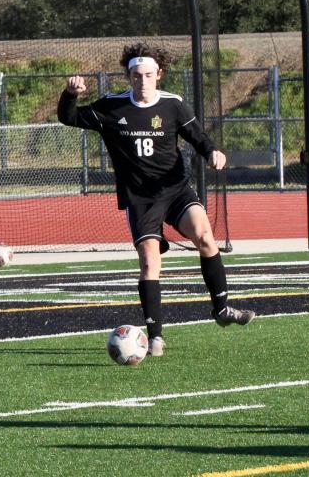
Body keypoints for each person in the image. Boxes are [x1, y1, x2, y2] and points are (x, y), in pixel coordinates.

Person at [58, 43, 255, 357]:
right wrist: (71, 95)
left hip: (176, 189)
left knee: (205, 236)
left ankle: (221, 309)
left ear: (159, 75)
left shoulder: (172, 105)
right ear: (129, 76)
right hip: (141, 199)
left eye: (149, 75)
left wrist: (211, 152)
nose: (142, 81)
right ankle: (155, 338)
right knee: (150, 263)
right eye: (136, 75)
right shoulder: (111, 107)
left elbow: (197, 136)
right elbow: (69, 118)